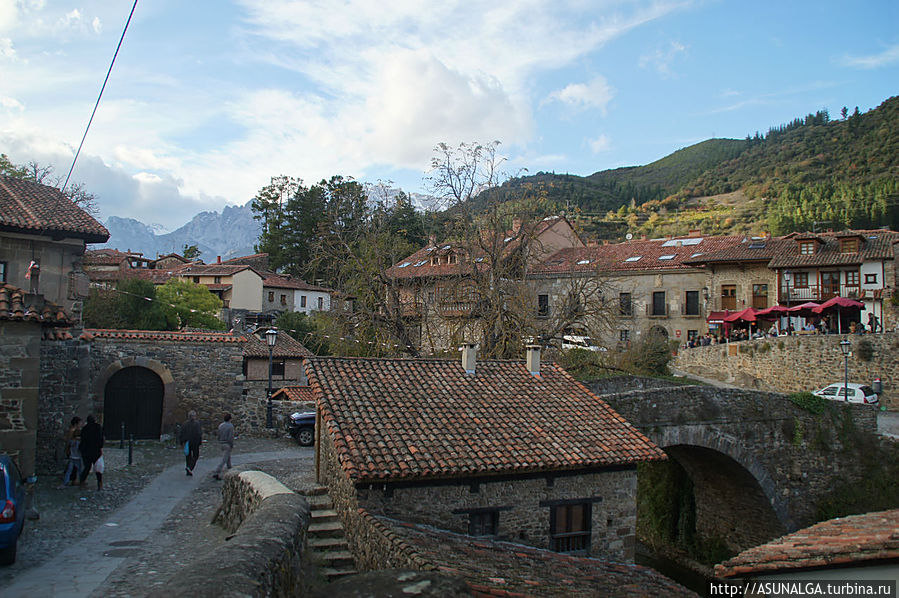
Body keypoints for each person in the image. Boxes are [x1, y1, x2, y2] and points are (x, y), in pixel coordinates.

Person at [79, 415, 105, 490]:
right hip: (95, 451)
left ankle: (82, 481)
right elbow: (100, 438)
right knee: (98, 468)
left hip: (86, 451)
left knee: (87, 467)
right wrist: (100, 447)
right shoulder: (98, 427)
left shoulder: (84, 428)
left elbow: (83, 439)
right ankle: (99, 483)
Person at [59, 417, 83, 488]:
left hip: (73, 454)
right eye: (80, 423)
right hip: (74, 455)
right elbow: (69, 442)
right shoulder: (72, 431)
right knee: (78, 469)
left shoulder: (74, 432)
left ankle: (68, 481)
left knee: (70, 469)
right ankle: (80, 481)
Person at [178, 411, 203, 476]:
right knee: (195, 456)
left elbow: (181, 433)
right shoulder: (197, 424)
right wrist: (200, 442)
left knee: (188, 456)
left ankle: (188, 470)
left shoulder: (184, 424)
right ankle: (190, 468)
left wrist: (181, 442)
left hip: (187, 442)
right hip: (195, 442)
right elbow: (199, 433)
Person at [212, 413, 235, 480]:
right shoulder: (230, 426)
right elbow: (230, 437)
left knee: (228, 458)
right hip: (227, 444)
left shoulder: (221, 425)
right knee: (224, 460)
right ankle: (216, 472)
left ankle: (230, 470)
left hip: (221, 443)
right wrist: (231, 444)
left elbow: (218, 435)